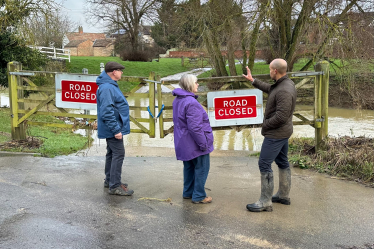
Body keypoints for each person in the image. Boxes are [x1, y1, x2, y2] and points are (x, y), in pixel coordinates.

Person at [243, 58, 296, 212]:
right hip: (283, 132)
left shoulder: (284, 90)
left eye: (269, 69)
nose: (269, 71)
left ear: (275, 71)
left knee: (264, 163)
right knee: (282, 161)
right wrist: (253, 80)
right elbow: (271, 90)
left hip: (276, 134)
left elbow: (281, 117)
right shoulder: (284, 84)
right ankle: (283, 195)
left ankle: (265, 201)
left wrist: (264, 125)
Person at [172, 74, 214, 204]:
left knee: (189, 167)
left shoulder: (178, 100)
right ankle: (199, 196)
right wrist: (204, 144)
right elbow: (195, 128)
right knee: (202, 167)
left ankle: (188, 192)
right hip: (195, 143)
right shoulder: (191, 103)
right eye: (196, 82)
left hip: (183, 142)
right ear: (190, 84)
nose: (198, 85)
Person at [96, 61, 134, 196]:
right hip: (112, 128)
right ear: (113, 72)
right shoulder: (107, 88)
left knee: (112, 153)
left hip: (112, 127)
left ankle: (110, 180)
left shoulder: (109, 85)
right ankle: (115, 186)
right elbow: (106, 111)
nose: (121, 72)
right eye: (120, 70)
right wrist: (116, 130)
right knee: (118, 153)